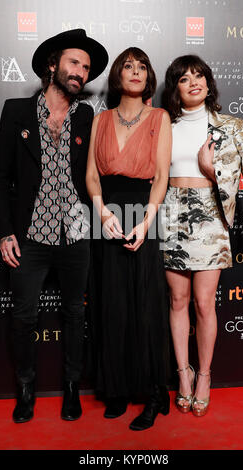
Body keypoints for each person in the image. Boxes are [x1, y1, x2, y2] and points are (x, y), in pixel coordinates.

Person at [0, 29, 108, 423]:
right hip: (31, 236)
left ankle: (72, 386)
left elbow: (94, 174)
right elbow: (3, 175)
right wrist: (6, 230)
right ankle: (25, 387)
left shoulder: (87, 116)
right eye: (74, 62)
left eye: (87, 68)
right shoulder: (16, 111)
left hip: (76, 234)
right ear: (52, 65)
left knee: (76, 313)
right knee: (24, 315)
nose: (81, 72)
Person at [161, 54, 243, 417]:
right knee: (177, 301)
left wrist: (211, 170)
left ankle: (204, 374)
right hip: (171, 215)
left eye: (200, 75)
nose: (194, 82)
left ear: (209, 82)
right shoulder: (164, 125)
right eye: (185, 78)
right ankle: (183, 374)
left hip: (212, 218)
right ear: (174, 87)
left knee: (204, 304)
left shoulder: (231, 125)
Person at [86, 47, 172, 431]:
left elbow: (161, 178)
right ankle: (117, 389)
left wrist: (146, 221)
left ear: (148, 76)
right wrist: (102, 213)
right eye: (127, 66)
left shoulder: (159, 117)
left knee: (146, 305)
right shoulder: (100, 119)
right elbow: (91, 174)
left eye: (141, 67)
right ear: (118, 76)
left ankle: (153, 393)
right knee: (112, 304)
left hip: (143, 215)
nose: (135, 72)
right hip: (106, 217)